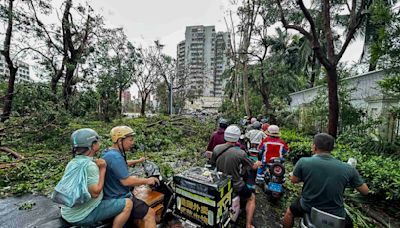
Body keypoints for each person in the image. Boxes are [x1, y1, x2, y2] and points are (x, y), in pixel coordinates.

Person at [282, 133, 369, 228]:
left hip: (308, 207)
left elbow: (294, 180)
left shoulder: (304, 161)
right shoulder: (348, 168)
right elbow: (365, 191)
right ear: (331, 149)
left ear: (314, 147)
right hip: (336, 213)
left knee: (290, 213)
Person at [61, 128, 132, 228]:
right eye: (97, 141)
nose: (99, 143)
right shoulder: (90, 166)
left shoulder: (72, 163)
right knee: (128, 204)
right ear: (93, 145)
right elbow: (95, 193)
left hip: (67, 212)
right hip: (81, 216)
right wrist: (102, 169)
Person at [102, 126, 160, 228]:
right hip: (118, 197)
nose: (132, 143)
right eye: (130, 140)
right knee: (150, 214)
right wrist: (148, 180)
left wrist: (138, 161)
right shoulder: (116, 157)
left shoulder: (109, 153)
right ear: (120, 140)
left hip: (109, 194)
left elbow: (121, 164)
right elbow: (126, 181)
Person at [210, 125, 262, 228]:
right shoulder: (240, 153)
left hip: (220, 182)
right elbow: (253, 167)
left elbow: (213, 163)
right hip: (236, 185)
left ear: (225, 136)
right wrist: (258, 163)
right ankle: (248, 225)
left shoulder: (216, 148)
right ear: (237, 138)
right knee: (251, 198)